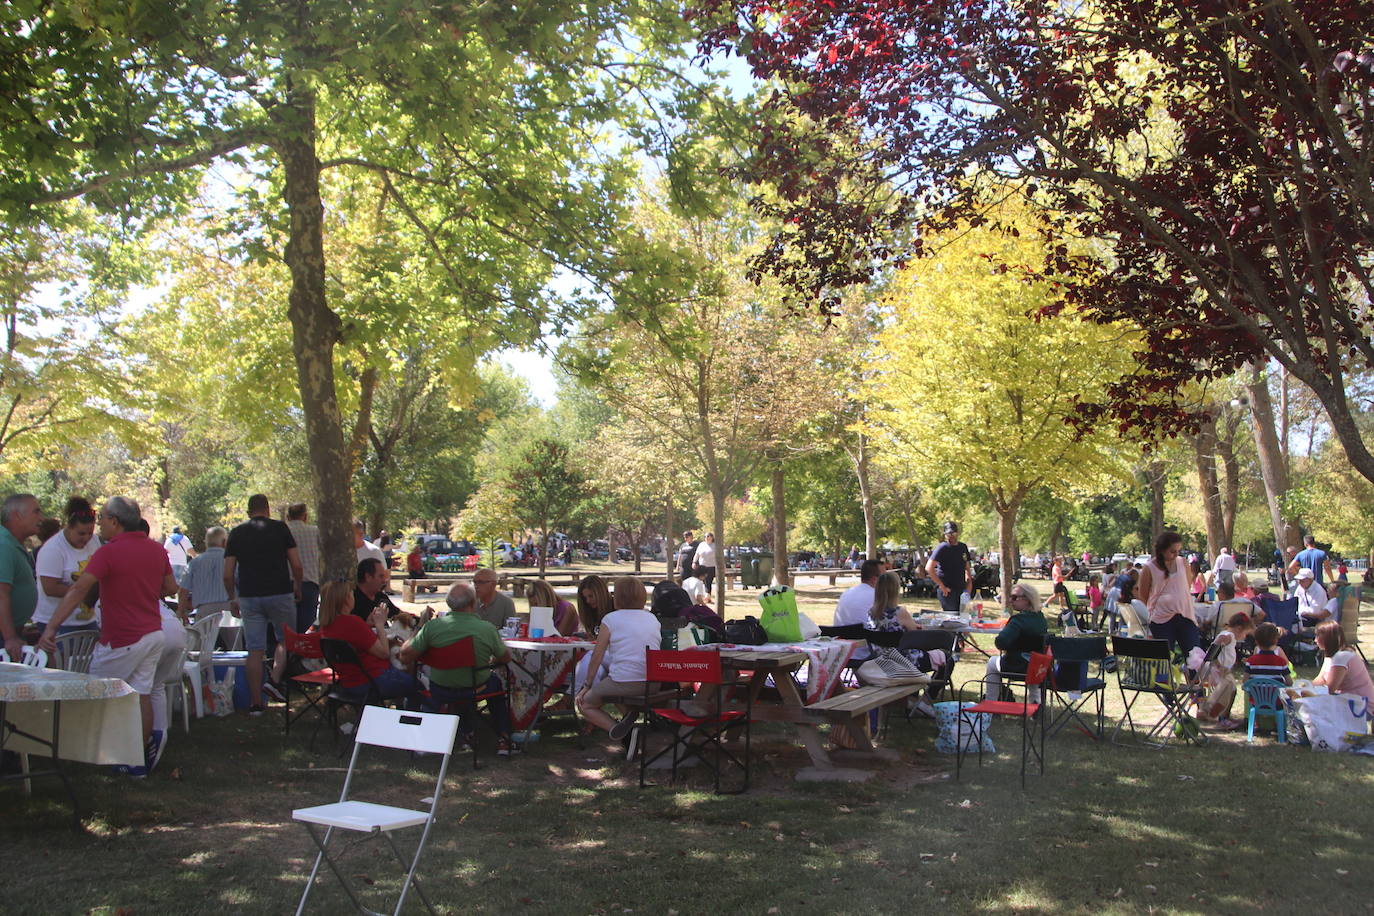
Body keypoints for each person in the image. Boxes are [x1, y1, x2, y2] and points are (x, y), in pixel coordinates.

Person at [39, 497, 176, 776]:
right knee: (142, 695)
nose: (99, 523)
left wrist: (51, 627)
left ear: (115, 521)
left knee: (94, 694)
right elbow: (170, 586)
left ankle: (93, 757)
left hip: (122, 638)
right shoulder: (156, 550)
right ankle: (137, 760)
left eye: (102, 518)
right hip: (153, 632)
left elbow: (78, 591)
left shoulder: (107, 553)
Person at [400, 582, 513, 754]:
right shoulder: (486, 629)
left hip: (440, 688)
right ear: (472, 602)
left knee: (460, 681)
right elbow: (506, 658)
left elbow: (405, 655)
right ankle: (503, 737)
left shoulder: (432, 628)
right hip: (475, 687)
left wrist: (419, 627)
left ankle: (466, 731)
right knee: (495, 683)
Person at [223, 494, 303, 716]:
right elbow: (296, 564)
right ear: (268, 510)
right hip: (280, 592)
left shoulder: (237, 533)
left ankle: (256, 703)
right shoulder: (281, 529)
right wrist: (297, 584)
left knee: (254, 649)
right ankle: (274, 680)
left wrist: (232, 597)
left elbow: (228, 574)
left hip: (249, 595)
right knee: (286, 640)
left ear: (249, 512)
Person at [575, 576, 659, 739]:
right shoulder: (652, 618)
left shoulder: (611, 619)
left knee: (585, 703)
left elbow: (597, 656)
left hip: (625, 682)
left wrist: (587, 685)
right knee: (610, 681)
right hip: (653, 682)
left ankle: (622, 733)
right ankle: (628, 723)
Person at [318, 579, 420, 706]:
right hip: (372, 681)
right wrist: (379, 624)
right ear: (346, 600)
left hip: (348, 681)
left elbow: (352, 638)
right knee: (419, 684)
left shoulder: (326, 626)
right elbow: (384, 653)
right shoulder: (353, 622)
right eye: (351, 594)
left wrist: (366, 625)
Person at [33, 496, 100, 637]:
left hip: (87, 619)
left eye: (90, 533)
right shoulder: (53, 549)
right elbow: (50, 588)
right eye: (81, 533)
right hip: (57, 623)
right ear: (68, 527)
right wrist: (84, 591)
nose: (86, 538)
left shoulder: (95, 542)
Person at [1137, 531, 1200, 656]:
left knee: (1195, 657)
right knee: (1163, 661)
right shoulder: (1149, 568)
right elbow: (1143, 595)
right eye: (1172, 551)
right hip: (1161, 621)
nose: (1176, 554)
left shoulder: (1182, 563)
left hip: (1185, 616)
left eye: (1178, 551)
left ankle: (1192, 675)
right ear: (1162, 550)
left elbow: (1186, 586)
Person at [983, 582, 1048, 700]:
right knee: (1033, 661)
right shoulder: (1041, 619)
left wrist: (1011, 644)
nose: (1010, 600)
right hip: (1039, 666)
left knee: (992, 662)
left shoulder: (1018, 620)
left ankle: (991, 700)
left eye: (1014, 597)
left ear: (1027, 600)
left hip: (1018, 666)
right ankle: (1035, 704)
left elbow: (1001, 642)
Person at [0, 493, 41, 660]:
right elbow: (1, 594)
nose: (41, 517)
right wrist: (9, 636)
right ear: (17, 515)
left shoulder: (11, 543)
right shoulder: (3, 545)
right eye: (36, 512)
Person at [1313, 620, 1374, 705]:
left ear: (1327, 638)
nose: (1315, 640)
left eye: (1317, 636)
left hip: (1360, 708)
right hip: (1346, 702)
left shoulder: (1342, 657)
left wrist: (1310, 694)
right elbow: (1321, 679)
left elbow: (1329, 689)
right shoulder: (1330, 656)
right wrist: (1304, 689)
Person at [833, 559, 883, 661]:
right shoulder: (877, 595)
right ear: (874, 579)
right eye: (885, 577)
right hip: (867, 651)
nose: (888, 580)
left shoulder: (847, 592)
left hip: (841, 652)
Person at [178, 527, 231, 622]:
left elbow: (183, 590)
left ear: (206, 542)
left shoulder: (195, 563)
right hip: (229, 609)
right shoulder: (231, 561)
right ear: (224, 542)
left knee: (204, 636)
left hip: (204, 610)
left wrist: (181, 611)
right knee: (233, 637)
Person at [284, 503, 321, 634]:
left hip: (287, 584)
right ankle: (303, 654)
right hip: (310, 583)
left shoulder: (283, 531)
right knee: (306, 629)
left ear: (288, 517)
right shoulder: (315, 531)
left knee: (287, 629)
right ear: (305, 516)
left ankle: (288, 653)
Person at [926, 522, 973, 616]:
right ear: (945, 534)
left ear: (957, 533)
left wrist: (969, 586)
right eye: (948, 534)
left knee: (965, 618)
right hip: (948, 591)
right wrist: (941, 585)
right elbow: (929, 568)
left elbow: (967, 568)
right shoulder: (942, 547)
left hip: (962, 590)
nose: (951, 536)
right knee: (952, 620)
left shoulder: (963, 547)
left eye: (953, 533)